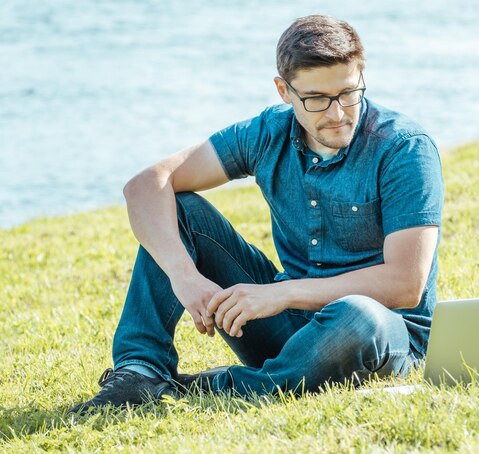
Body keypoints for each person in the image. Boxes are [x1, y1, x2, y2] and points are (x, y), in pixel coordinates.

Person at [70, 14, 444, 413]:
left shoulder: (404, 148)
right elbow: (146, 186)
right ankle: (140, 372)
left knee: (357, 314)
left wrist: (279, 294)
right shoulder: (268, 133)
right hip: (287, 328)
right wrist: (185, 277)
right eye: (317, 99)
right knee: (181, 209)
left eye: (349, 93)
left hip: (379, 337)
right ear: (284, 90)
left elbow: (406, 283)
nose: (338, 114)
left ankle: (205, 388)